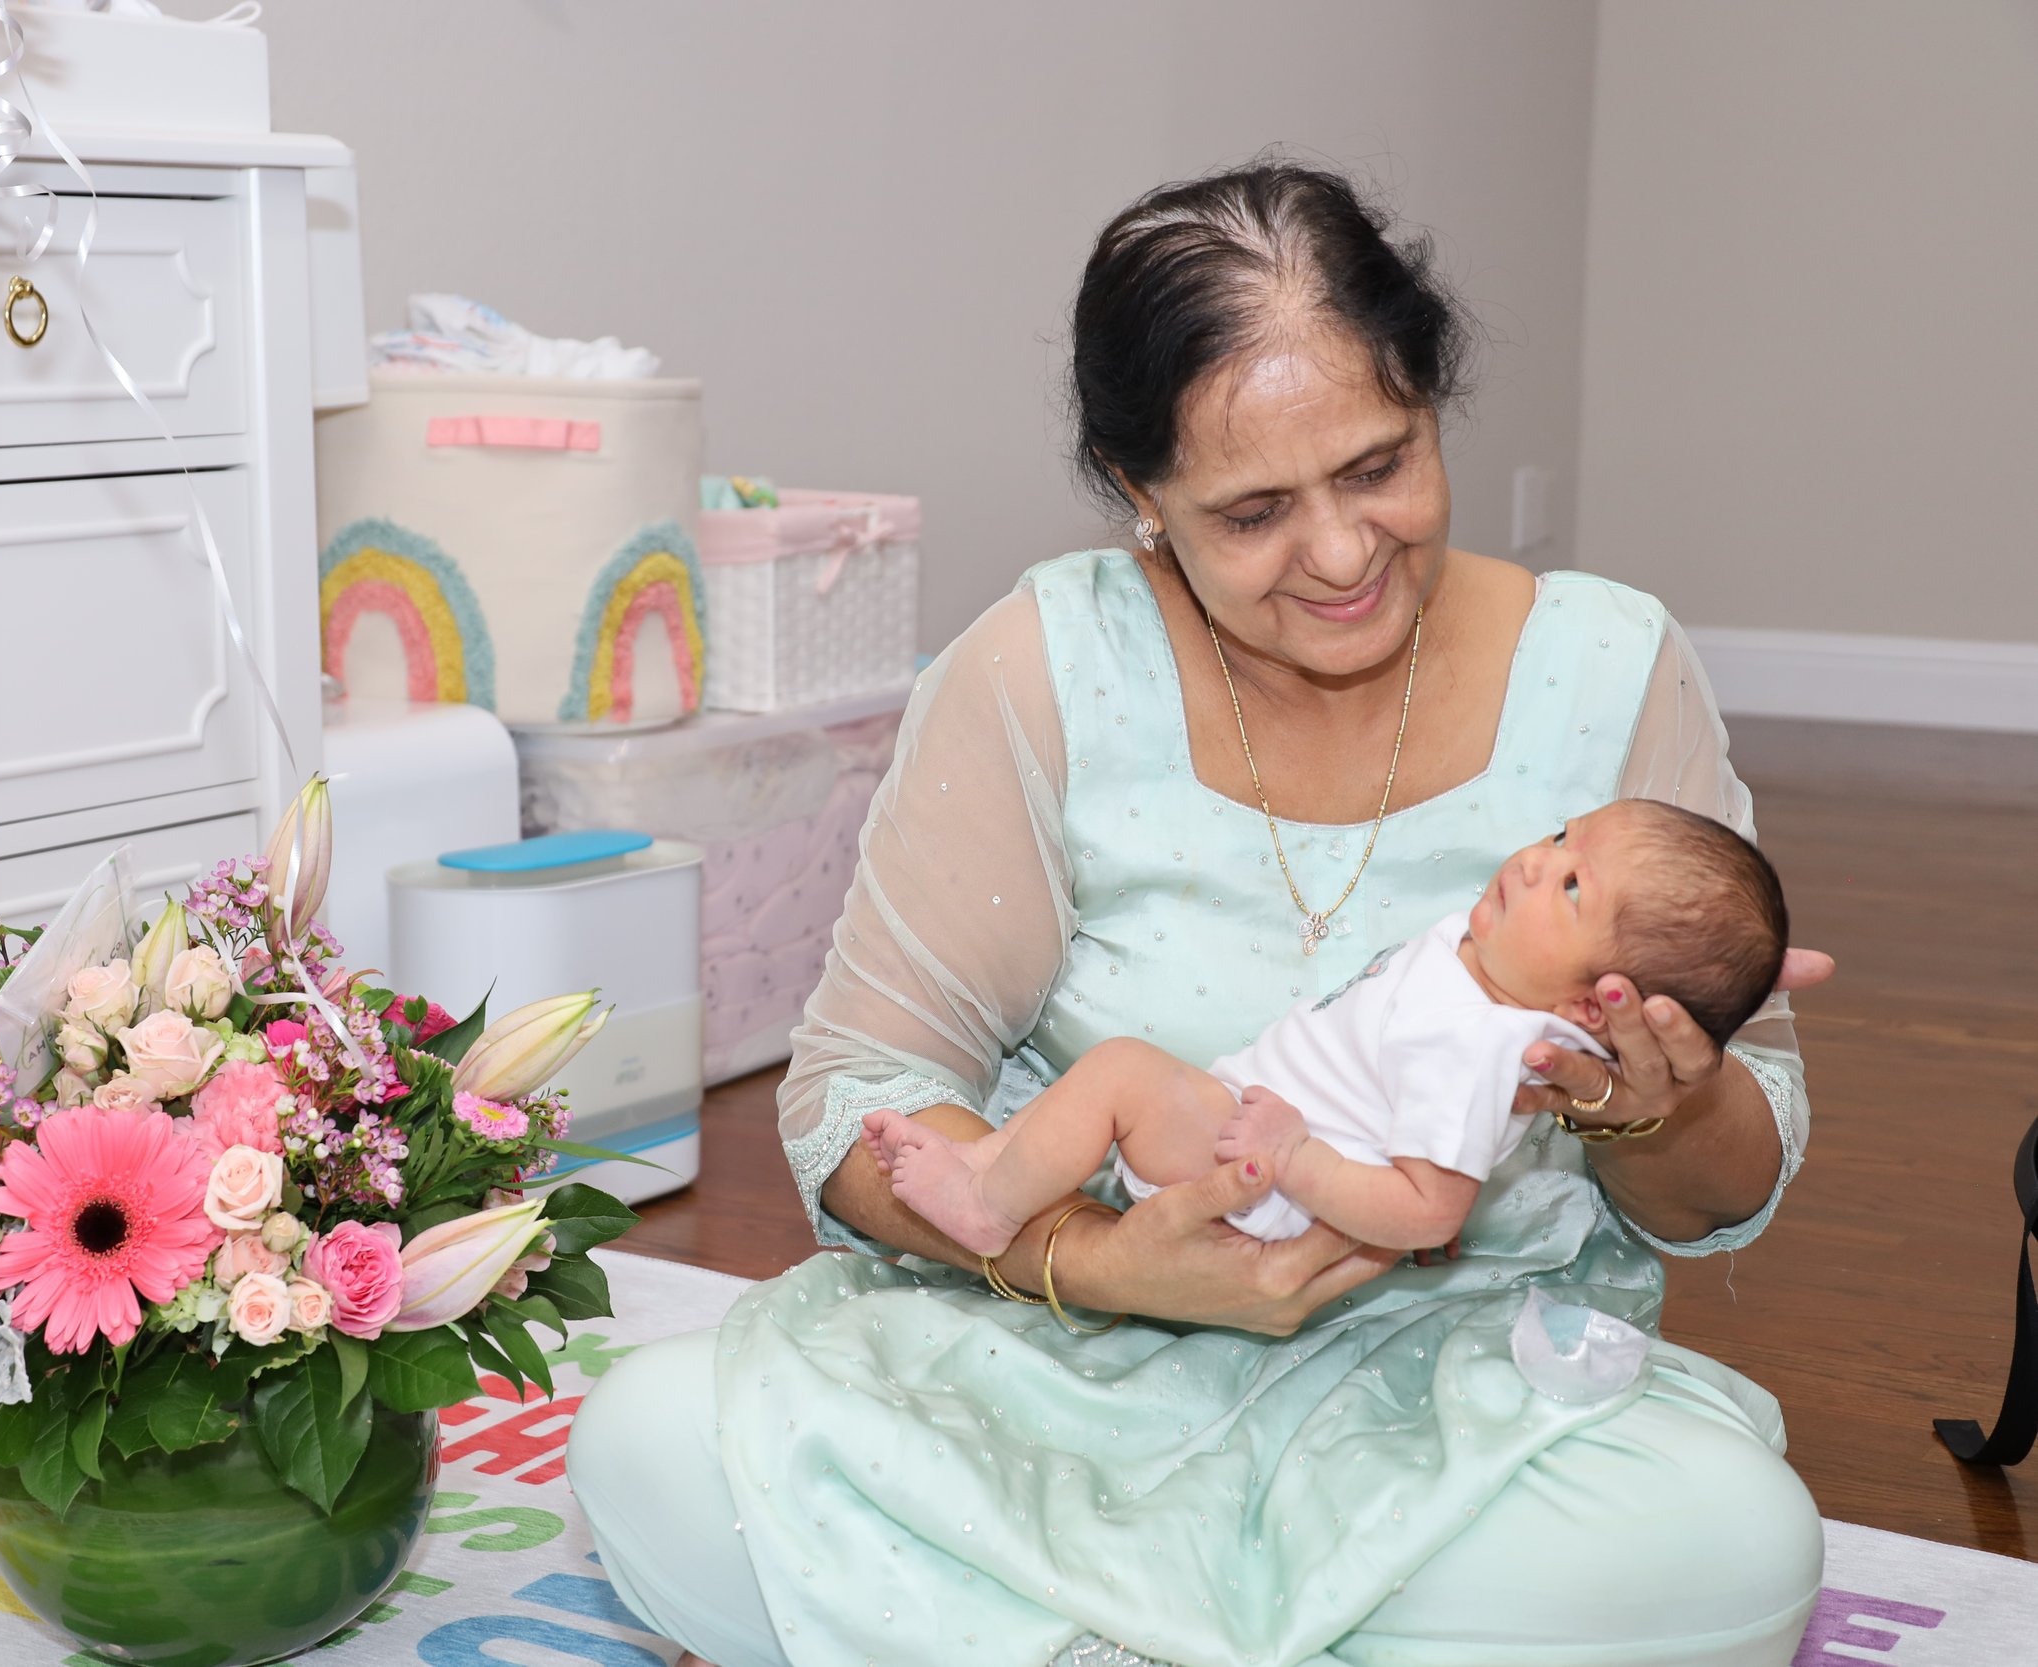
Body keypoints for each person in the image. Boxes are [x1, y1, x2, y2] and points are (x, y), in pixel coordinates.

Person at [567, 161, 1833, 1667]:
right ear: (1138, 493)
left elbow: (1732, 1178)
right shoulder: (1041, 664)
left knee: (1726, 1546)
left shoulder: (1616, 665)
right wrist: (1090, 1261)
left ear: (1434, 400)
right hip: (1069, 1365)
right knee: (651, 1442)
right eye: (1252, 512)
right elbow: (856, 1094)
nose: (1346, 552)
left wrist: (1658, 1108)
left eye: (1381, 464)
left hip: (1451, 1384)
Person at [864, 799, 1789, 1255]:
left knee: (1115, 1075)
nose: (1536, 865)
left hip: (1273, 1183)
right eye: (1558, 839)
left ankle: (986, 1211)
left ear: (1597, 1004)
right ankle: (983, 1166)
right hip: (1255, 1125)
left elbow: (1431, 1212)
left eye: (1573, 887)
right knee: (1104, 1082)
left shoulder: (1476, 1041)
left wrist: (1298, 1158)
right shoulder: (1491, 961)